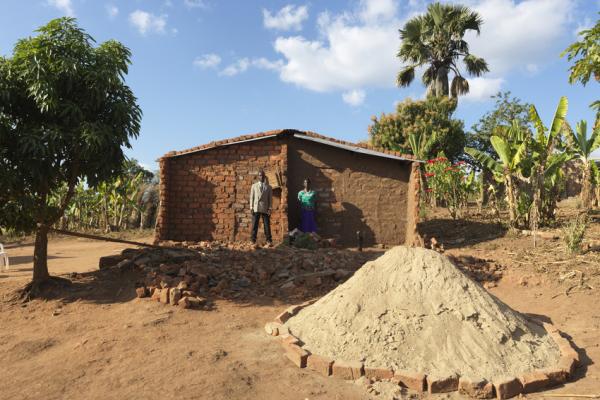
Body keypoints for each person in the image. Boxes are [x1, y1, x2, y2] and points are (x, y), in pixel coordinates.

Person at [249, 170, 273, 245]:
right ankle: (253, 240)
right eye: (260, 175)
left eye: (262, 175)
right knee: (254, 225)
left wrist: (270, 208)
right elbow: (251, 197)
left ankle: (269, 240)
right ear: (258, 177)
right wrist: (251, 207)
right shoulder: (254, 186)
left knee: (266, 225)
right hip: (256, 207)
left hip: (265, 207)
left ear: (265, 176)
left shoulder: (269, 187)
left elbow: (270, 199)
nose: (261, 177)